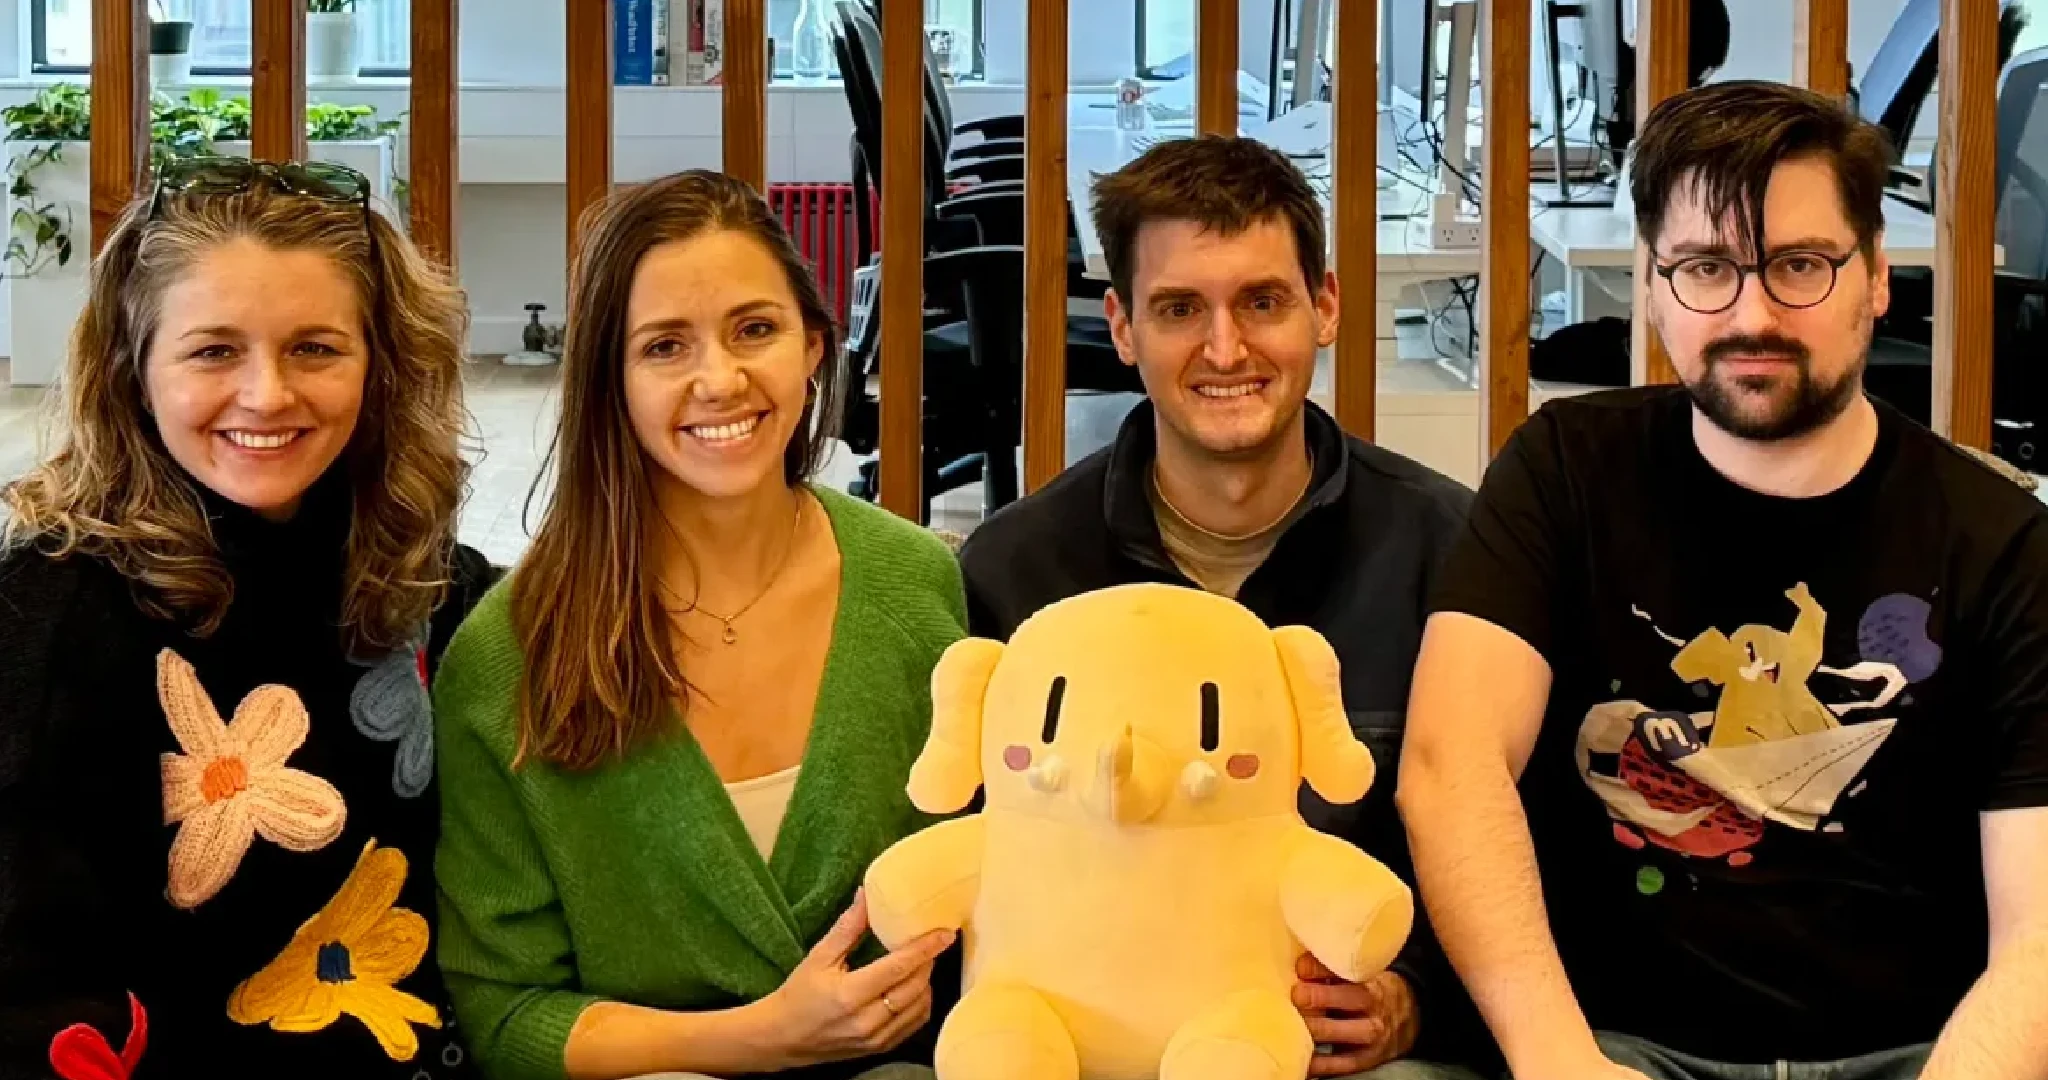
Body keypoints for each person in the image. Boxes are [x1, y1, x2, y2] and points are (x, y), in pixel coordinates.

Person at [1399, 80, 2048, 1080]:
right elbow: (1450, 766)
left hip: (1919, 1055)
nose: (1752, 314)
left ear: (1876, 277)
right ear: (1653, 285)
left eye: (1799, 265)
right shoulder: (1564, 469)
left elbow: (2037, 942)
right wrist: (1557, 1061)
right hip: (1613, 1051)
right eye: (1705, 267)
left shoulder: (2002, 541)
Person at [957, 135, 1481, 1078]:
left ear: (1325, 308)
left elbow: (1524, 841)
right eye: (1179, 309)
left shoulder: (1447, 553)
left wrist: (1416, 1002)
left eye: (1263, 302)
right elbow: (965, 854)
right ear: (1123, 328)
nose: (1226, 348)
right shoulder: (1018, 572)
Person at [431, 170, 964, 1080]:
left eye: (755, 329)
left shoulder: (920, 585)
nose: (719, 380)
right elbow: (504, 1013)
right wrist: (759, 1038)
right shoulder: (508, 655)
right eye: (665, 346)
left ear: (814, 346)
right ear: (611, 382)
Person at [0, 156, 495, 1078]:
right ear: (132, 369)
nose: (267, 394)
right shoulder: (48, 621)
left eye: (315, 348)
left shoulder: (422, 580)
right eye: (214, 351)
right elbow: (32, 1005)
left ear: (381, 366)